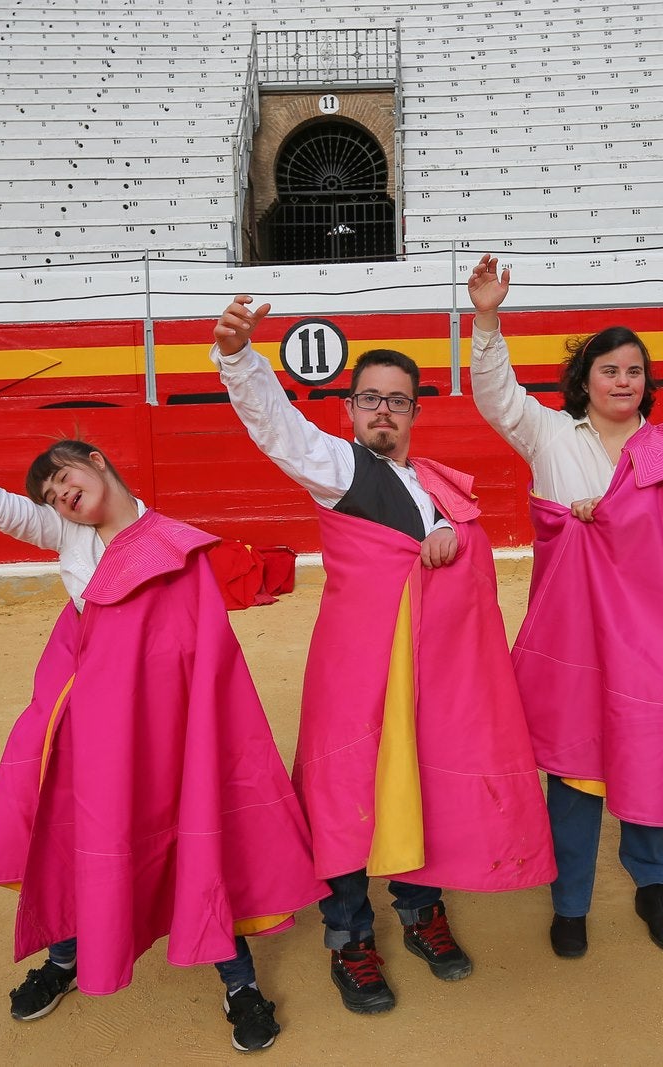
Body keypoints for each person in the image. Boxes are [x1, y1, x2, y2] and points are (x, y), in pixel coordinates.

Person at [0, 431, 326, 1053]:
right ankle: (68, 957)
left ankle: (239, 984)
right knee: (77, 836)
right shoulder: (68, 536)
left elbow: (207, 638)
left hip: (167, 723)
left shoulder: (180, 542)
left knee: (195, 831)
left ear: (97, 460)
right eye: (51, 495)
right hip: (87, 722)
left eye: (65, 477)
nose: (62, 496)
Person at [209, 296, 556, 1016]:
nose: (384, 412)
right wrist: (241, 359)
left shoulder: (433, 484)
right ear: (350, 409)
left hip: (428, 675)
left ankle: (419, 908)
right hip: (358, 667)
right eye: (371, 398)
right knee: (345, 793)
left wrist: (452, 543)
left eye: (398, 401)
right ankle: (349, 936)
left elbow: (464, 559)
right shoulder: (339, 467)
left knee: (417, 783)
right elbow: (278, 431)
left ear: (415, 412)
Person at [466, 255, 663, 960]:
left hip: (655, 636)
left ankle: (652, 882)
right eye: (610, 370)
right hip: (577, 634)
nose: (623, 381)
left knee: (651, 752)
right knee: (576, 770)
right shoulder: (549, 434)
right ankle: (570, 900)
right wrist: (487, 317)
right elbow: (494, 395)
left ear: (646, 383)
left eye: (634, 371)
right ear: (586, 381)